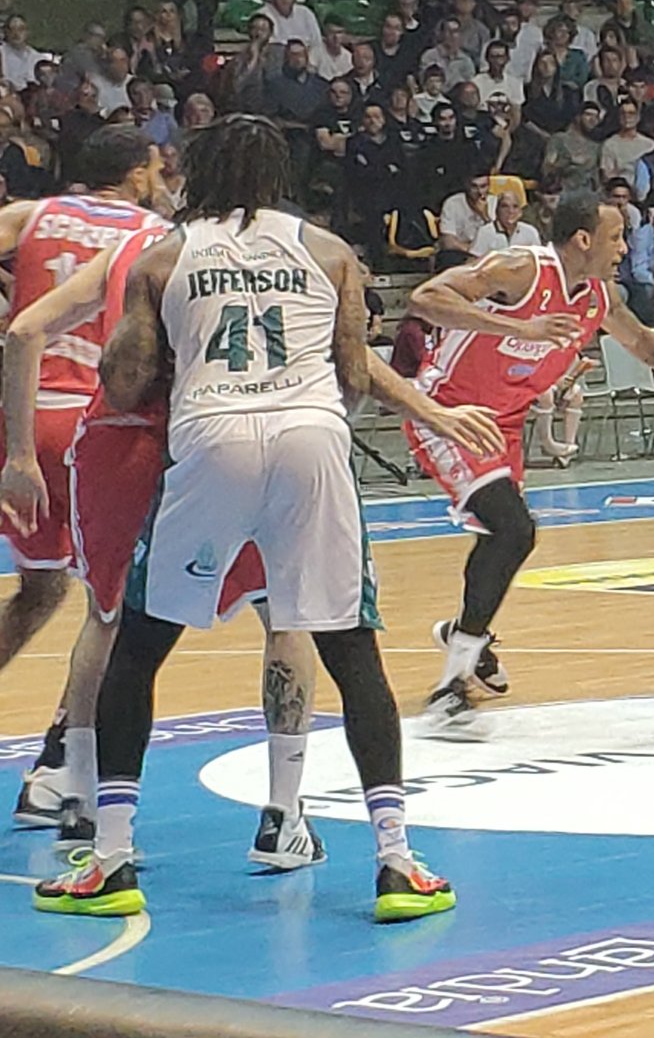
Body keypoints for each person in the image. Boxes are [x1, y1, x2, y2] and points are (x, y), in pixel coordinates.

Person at [33, 117, 458, 923]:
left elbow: (124, 382)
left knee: (139, 646)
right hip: (312, 437)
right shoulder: (329, 252)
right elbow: (352, 371)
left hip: (213, 437)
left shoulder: (164, 258)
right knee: (352, 650)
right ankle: (398, 861)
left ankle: (111, 857)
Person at [401, 191, 654, 732]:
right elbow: (424, 297)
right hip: (449, 412)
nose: (624, 248)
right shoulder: (521, 269)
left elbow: (642, 342)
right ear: (584, 239)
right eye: (616, 238)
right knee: (514, 529)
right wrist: (521, 329)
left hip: (505, 424)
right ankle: (452, 682)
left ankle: (467, 634)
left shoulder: (598, 297)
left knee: (503, 537)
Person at [0, 130, 170, 829]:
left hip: (20, 416)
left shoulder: (29, 216)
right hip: (94, 426)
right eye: (157, 168)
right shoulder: (153, 233)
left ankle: (56, 767)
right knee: (115, 608)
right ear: (136, 175)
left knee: (40, 590)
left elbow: (23, 329)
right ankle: (62, 771)